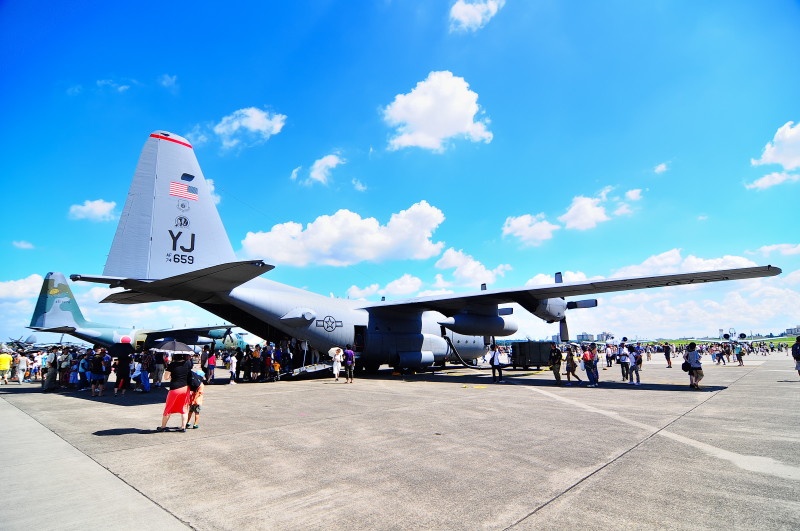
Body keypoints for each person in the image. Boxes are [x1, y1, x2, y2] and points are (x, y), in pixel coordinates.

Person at [157, 354, 193, 432]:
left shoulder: (172, 365)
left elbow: (166, 377)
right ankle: (183, 427)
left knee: (168, 408)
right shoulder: (187, 363)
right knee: (184, 408)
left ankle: (163, 427)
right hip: (185, 388)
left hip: (175, 388)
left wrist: (171, 375)